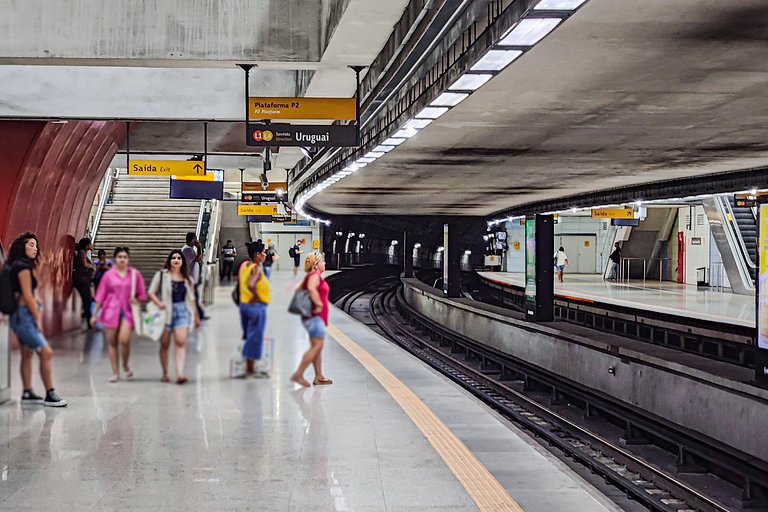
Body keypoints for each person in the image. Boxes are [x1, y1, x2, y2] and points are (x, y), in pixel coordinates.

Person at [7, 232, 67, 406]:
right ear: (22, 247)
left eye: (36, 245)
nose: (35, 248)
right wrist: (38, 318)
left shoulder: (15, 265)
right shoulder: (23, 268)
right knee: (46, 352)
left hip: (18, 315)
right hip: (24, 316)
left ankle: (27, 392)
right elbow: (26, 295)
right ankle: (50, 394)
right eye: (31, 245)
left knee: (27, 353)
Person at [91, 247, 147, 382]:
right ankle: (115, 372)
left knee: (124, 340)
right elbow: (100, 295)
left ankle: (125, 364)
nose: (122, 259)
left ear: (128, 259)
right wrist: (94, 315)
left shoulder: (134, 275)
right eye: (120, 256)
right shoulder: (108, 275)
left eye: (125, 257)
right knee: (112, 343)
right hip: (110, 311)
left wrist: (137, 299)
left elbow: (142, 293)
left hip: (127, 311)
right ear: (115, 259)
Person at [148, 250, 200, 384]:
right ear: (169, 261)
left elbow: (192, 299)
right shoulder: (161, 275)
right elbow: (151, 292)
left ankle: (180, 373)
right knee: (164, 344)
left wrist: (196, 315)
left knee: (180, 342)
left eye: (179, 258)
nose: (176, 260)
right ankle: (165, 372)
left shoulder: (187, 279)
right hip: (165, 312)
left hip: (182, 311)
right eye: (173, 258)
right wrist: (159, 304)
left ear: (182, 261)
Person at [291, 252, 332, 388]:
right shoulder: (314, 276)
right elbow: (310, 288)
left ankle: (319, 376)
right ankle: (299, 373)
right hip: (314, 317)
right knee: (317, 346)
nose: (324, 264)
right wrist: (319, 303)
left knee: (317, 347)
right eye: (322, 262)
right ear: (316, 265)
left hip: (314, 317)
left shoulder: (313, 275)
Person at [238, 241, 270, 378]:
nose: (265, 255)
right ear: (257, 255)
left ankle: (249, 365)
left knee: (249, 335)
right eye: (263, 253)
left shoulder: (244, 265)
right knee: (255, 337)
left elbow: (242, 283)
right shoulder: (256, 269)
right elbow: (251, 285)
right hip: (255, 307)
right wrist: (258, 297)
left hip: (244, 305)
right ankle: (250, 369)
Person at [182, 232, 208, 320]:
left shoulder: (189, 249)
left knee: (194, 297)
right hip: (190, 278)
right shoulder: (187, 250)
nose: (196, 241)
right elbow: (198, 259)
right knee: (193, 297)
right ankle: (199, 315)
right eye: (195, 239)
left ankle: (199, 314)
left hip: (191, 278)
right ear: (191, 240)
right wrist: (199, 248)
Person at [73, 237, 95, 328]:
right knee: (87, 299)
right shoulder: (82, 252)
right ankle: (89, 321)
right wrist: (91, 267)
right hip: (81, 278)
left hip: (84, 278)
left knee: (88, 299)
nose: (92, 245)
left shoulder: (85, 253)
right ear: (87, 245)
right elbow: (84, 264)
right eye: (90, 243)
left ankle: (89, 319)